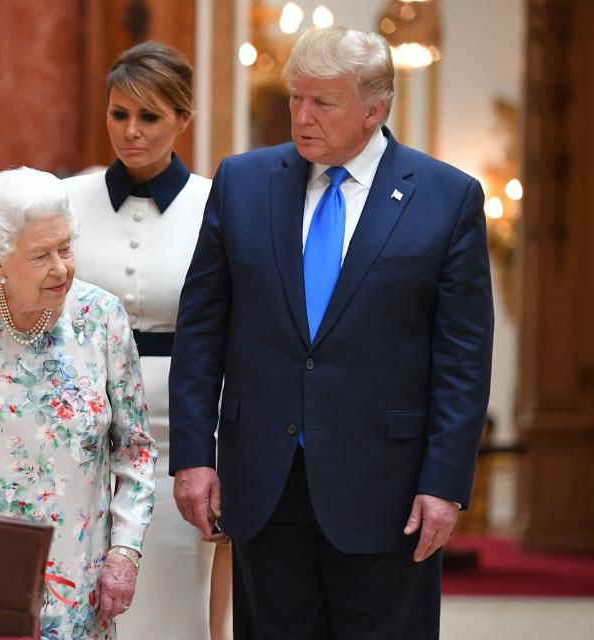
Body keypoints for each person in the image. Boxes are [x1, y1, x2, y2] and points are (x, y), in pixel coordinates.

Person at [169, 25, 493, 639]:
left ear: (375, 109)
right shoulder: (242, 183)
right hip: (264, 482)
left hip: (388, 491)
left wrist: (445, 486)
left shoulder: (447, 199)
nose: (301, 116)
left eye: (323, 102)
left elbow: (464, 360)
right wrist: (193, 456)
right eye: (295, 98)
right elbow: (202, 329)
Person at [0, 167, 157, 639]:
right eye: (40, 255)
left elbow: (136, 452)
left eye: (66, 248)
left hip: (75, 583)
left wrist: (124, 553)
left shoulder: (101, 319)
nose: (61, 268)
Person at [64, 41, 221, 640]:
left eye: (150, 117)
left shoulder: (217, 203)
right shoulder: (67, 198)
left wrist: (217, 450)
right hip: (77, 421)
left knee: (171, 602)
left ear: (183, 119)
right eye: (119, 114)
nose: (131, 132)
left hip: (178, 429)